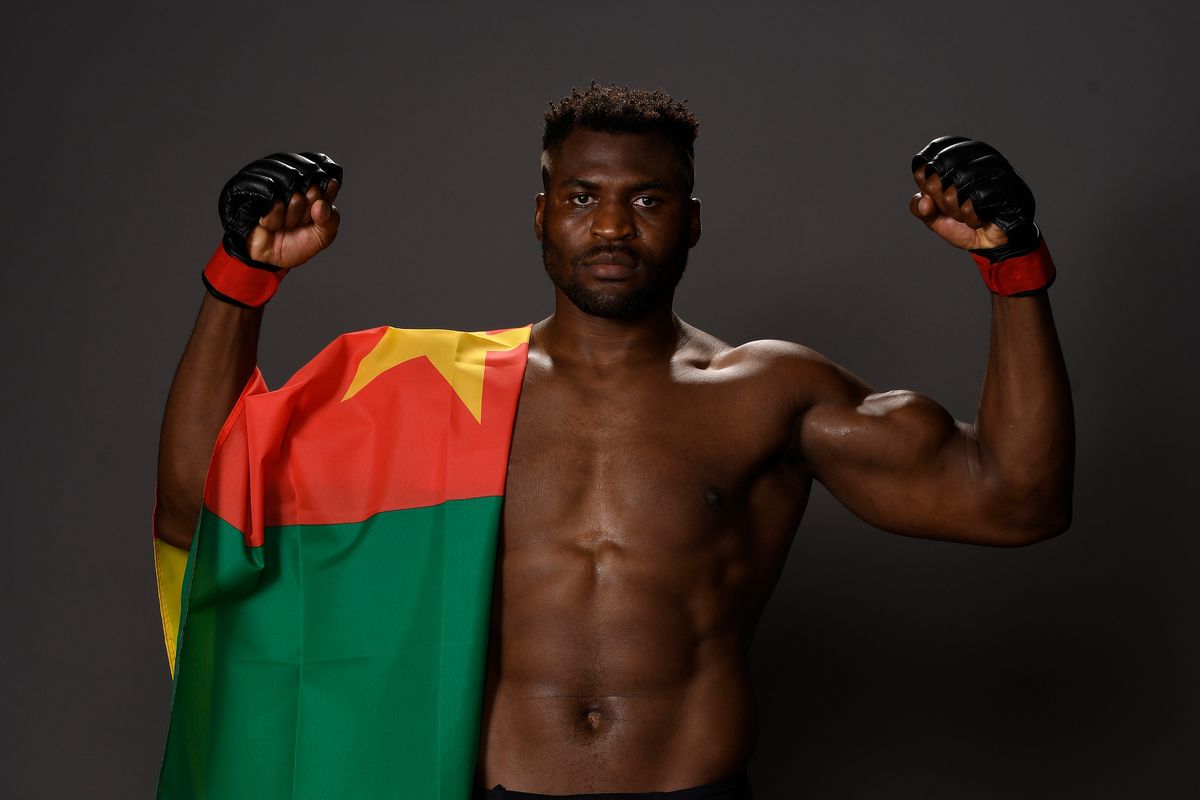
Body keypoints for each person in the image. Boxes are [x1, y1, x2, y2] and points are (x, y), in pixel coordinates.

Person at [154, 84, 1074, 799]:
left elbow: (1014, 498)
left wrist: (1012, 266)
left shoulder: (766, 393)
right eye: (583, 196)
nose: (610, 226)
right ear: (542, 211)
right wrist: (240, 280)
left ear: (694, 220)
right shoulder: (438, 394)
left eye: (648, 199)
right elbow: (204, 501)